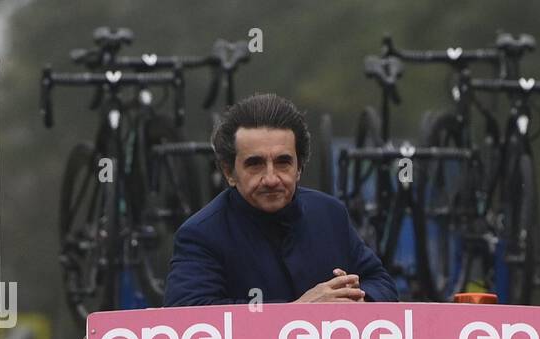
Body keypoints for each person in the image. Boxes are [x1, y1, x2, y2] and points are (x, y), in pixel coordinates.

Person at [163, 93, 397, 307]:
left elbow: (382, 284)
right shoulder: (200, 234)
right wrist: (296, 312)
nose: (271, 178)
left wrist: (354, 300)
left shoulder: (330, 213)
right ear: (229, 173)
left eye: (283, 162)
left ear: (299, 168)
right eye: (255, 164)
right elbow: (187, 319)